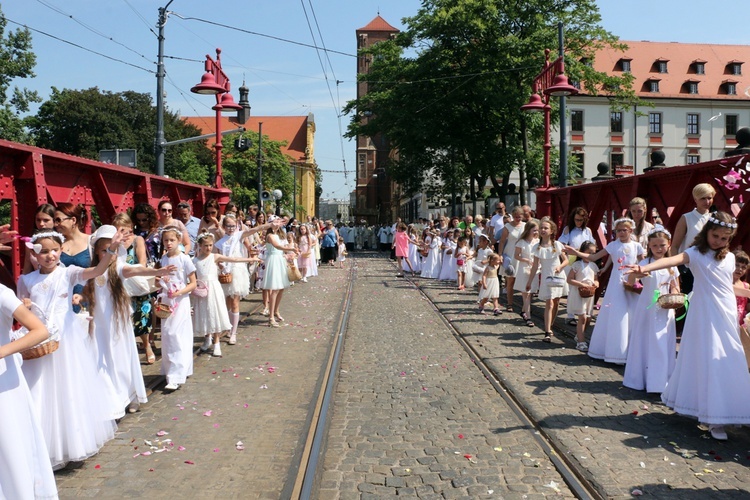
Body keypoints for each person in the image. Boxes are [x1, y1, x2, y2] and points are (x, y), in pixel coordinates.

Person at [627, 212, 750, 440]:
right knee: (708, 357)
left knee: (730, 357)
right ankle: (712, 418)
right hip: (705, 312)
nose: (719, 242)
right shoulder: (695, 253)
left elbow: (727, 287)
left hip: (727, 311)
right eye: (715, 236)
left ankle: (728, 409)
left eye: (724, 238)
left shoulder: (730, 258)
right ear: (706, 232)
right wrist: (646, 268)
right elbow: (670, 260)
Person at [18, 229, 122, 469]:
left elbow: (96, 271)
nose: (50, 255)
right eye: (44, 251)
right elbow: (24, 312)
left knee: (68, 390)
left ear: (61, 251)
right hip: (40, 343)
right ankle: (42, 446)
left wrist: (111, 250)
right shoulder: (27, 280)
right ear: (35, 253)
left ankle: (71, 442)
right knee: (40, 391)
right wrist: (24, 304)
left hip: (65, 341)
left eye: (54, 250)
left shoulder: (69, 273)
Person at [84, 225, 174, 416]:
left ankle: (131, 395)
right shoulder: (93, 271)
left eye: (114, 250)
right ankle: (111, 397)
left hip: (117, 323)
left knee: (121, 357)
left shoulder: (118, 268)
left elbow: (137, 270)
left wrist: (159, 271)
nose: (110, 254)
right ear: (97, 252)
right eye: (104, 250)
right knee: (102, 359)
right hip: (100, 324)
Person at [0, 281, 58, 499]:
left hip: (3, 380)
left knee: (9, 443)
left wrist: (2, 351)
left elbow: (40, 330)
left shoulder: (2, 293)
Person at [568, 217, 644, 364]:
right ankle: (615, 352)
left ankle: (631, 351)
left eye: (624, 230)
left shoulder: (637, 246)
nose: (621, 233)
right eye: (618, 230)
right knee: (617, 314)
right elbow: (594, 256)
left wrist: (641, 276)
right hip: (616, 283)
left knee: (632, 314)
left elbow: (643, 263)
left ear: (631, 230)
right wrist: (576, 252)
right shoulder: (613, 245)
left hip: (631, 281)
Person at [623, 227, 679, 393]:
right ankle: (640, 378)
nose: (659, 249)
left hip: (665, 307)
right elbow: (632, 279)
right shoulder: (645, 263)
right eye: (654, 246)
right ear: (649, 246)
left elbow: (675, 286)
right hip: (647, 306)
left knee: (661, 341)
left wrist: (674, 298)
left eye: (662, 245)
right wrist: (638, 275)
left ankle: (661, 380)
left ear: (668, 245)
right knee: (645, 339)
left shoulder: (671, 265)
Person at [193, 232, 257, 357]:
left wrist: (251, 259)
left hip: (214, 289)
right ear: (200, 245)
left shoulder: (215, 257)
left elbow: (234, 259)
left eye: (211, 245)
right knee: (205, 314)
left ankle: (216, 342)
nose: (208, 248)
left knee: (214, 313)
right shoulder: (195, 260)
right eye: (205, 245)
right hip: (202, 289)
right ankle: (207, 338)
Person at [158, 226, 197, 391]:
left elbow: (193, 283)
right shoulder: (163, 259)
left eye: (172, 240)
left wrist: (179, 292)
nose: (168, 243)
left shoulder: (184, 259)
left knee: (177, 334)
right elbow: (157, 281)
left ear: (179, 241)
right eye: (166, 240)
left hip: (180, 301)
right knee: (167, 334)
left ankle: (176, 375)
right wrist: (161, 281)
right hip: (167, 300)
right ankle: (172, 370)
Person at [525, 217, 568, 342]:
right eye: (541, 228)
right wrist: (529, 282)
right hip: (546, 277)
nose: (543, 230)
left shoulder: (557, 245)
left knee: (556, 302)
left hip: (558, 276)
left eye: (546, 228)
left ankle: (551, 324)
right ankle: (547, 331)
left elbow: (565, 260)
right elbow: (534, 266)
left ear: (551, 231)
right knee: (549, 302)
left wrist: (560, 267)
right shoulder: (537, 247)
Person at [670, 183, 716, 294]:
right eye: (703, 198)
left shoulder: (715, 218)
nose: (707, 202)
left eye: (709, 198)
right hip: (689, 267)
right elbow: (675, 245)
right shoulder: (686, 218)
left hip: (710, 266)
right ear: (695, 199)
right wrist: (677, 269)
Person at [131, 203, 160, 363]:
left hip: (153, 268)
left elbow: (160, 251)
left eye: (144, 220)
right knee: (146, 303)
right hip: (139, 271)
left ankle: (152, 336)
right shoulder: (134, 233)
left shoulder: (156, 233)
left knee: (152, 304)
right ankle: (147, 338)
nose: (141, 223)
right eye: (139, 220)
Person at [558, 207, 594, 326]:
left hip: (584, 258)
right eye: (576, 219)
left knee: (584, 284)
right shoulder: (568, 229)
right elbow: (562, 244)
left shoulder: (587, 230)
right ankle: (570, 315)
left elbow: (592, 245)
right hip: (573, 258)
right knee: (572, 287)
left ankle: (583, 312)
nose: (578, 222)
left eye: (580, 220)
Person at [55, 202, 92, 312]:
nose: (56, 224)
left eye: (58, 220)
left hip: (87, 303)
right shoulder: (57, 244)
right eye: (54, 221)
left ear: (73, 220)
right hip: (61, 304)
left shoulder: (91, 242)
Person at [262, 221, 298, 327]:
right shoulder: (270, 236)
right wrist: (291, 249)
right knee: (275, 288)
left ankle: (276, 311)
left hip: (279, 259)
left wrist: (288, 257)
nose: (278, 225)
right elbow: (277, 246)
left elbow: (280, 248)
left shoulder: (277, 235)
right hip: (273, 261)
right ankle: (271, 316)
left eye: (279, 223)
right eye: (275, 223)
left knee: (281, 287)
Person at [566, 241, 600, 352]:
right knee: (582, 317)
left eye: (593, 253)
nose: (590, 255)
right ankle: (581, 342)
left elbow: (595, 279)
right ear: (582, 252)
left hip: (589, 294)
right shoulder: (577, 265)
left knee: (588, 318)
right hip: (578, 293)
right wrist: (581, 284)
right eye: (588, 252)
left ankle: (579, 335)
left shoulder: (593, 266)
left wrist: (596, 284)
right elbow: (569, 279)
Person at [498, 206, 526, 312]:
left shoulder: (525, 226)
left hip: (522, 253)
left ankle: (525, 306)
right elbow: (502, 241)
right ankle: (509, 303)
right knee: (510, 280)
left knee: (524, 280)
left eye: (519, 217)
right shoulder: (507, 226)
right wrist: (500, 254)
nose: (517, 219)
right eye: (515, 217)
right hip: (510, 253)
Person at [514, 221, 539, 327]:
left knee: (531, 292)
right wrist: (526, 259)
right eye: (534, 230)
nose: (536, 232)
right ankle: (528, 317)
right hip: (524, 268)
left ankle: (524, 311)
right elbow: (516, 255)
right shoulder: (521, 242)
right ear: (528, 230)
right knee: (526, 293)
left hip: (534, 269)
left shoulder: (537, 241)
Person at [23, 203, 56, 274]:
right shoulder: (30, 242)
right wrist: (23, 283)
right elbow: (27, 266)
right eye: (38, 220)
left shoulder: (62, 240)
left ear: (54, 221)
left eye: (46, 220)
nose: (41, 224)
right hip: (38, 282)